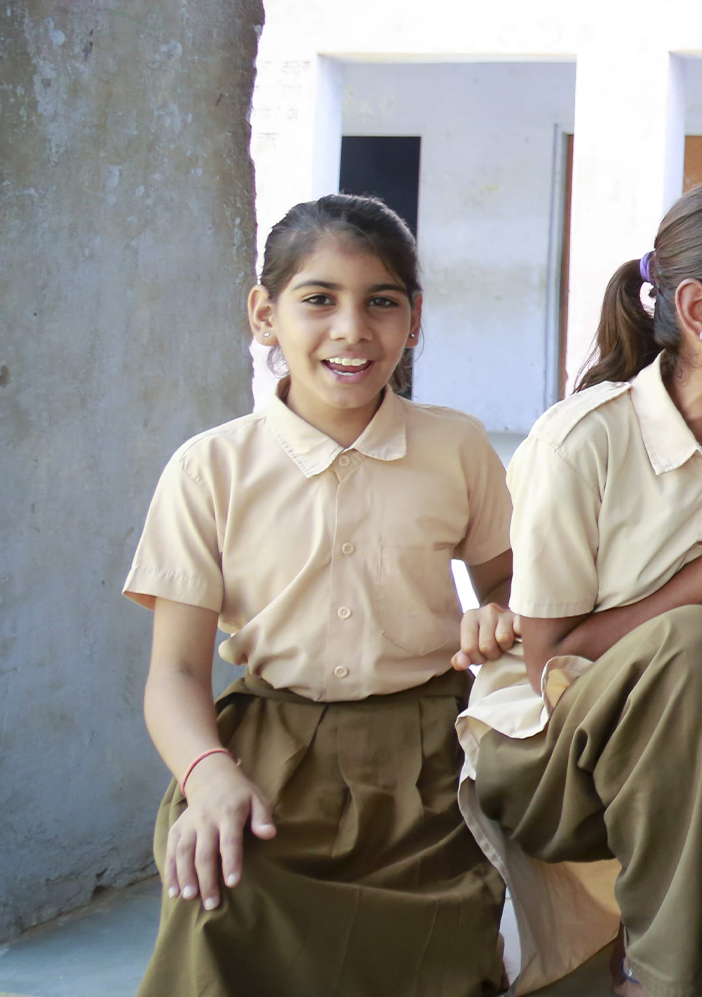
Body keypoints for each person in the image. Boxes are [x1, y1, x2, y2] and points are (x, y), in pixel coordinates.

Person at [462, 179, 702, 997]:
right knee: (696, 641)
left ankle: (631, 908)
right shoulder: (583, 444)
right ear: (701, 312)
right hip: (553, 758)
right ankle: (662, 973)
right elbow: (552, 665)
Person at [127, 195, 508, 997]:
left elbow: (509, 593)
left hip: (430, 755)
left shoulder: (458, 446)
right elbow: (173, 675)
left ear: (413, 318)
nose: (351, 330)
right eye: (318, 300)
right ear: (265, 315)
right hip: (265, 754)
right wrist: (210, 778)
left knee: (443, 942)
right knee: (219, 895)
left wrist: (499, 615)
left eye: (381, 302)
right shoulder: (210, 469)